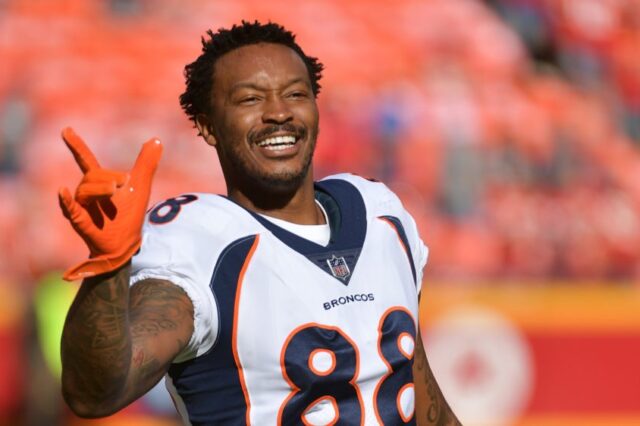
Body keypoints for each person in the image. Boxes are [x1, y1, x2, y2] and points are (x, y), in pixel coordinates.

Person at [59, 21, 461, 425]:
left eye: (296, 94)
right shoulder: (201, 243)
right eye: (250, 99)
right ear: (207, 125)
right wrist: (109, 265)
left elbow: (419, 396)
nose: (279, 113)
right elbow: (96, 394)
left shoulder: (380, 214)